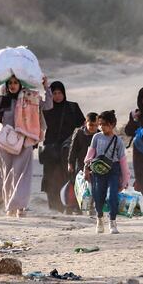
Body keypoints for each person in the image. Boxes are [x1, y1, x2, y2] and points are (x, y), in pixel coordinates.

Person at [0, 74, 53, 217]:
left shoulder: (30, 97)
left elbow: (48, 105)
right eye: (10, 83)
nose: (13, 85)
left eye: (16, 82)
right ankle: (10, 206)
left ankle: (20, 206)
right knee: (8, 175)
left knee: (22, 175)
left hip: (25, 141)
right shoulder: (3, 99)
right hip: (5, 143)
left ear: (21, 84)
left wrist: (46, 86)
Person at [41, 81, 84, 213]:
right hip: (51, 149)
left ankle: (70, 205)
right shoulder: (46, 110)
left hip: (68, 149)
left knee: (69, 177)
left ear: (64, 93)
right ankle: (55, 207)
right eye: (54, 93)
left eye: (60, 93)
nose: (58, 96)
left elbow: (82, 126)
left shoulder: (72, 107)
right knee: (51, 178)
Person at [83, 110, 129, 235]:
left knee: (112, 196)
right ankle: (99, 219)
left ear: (112, 124)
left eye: (104, 124)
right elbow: (90, 154)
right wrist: (86, 168)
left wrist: (125, 180)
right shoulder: (96, 137)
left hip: (113, 171)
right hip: (97, 171)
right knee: (98, 197)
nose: (101, 127)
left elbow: (123, 163)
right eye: (100, 124)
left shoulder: (118, 141)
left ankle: (113, 222)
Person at [66, 112, 100, 215]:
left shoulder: (99, 135)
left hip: (94, 165)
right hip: (80, 164)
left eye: (95, 125)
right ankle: (76, 206)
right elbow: (73, 149)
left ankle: (91, 206)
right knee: (80, 186)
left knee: (93, 185)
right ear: (86, 123)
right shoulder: (79, 133)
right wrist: (70, 163)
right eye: (91, 125)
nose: (93, 128)